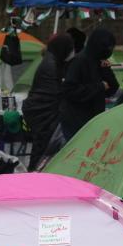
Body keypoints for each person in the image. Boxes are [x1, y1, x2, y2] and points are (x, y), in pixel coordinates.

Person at [23, 33, 74, 171]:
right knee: (42, 148)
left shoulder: (53, 60)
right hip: (43, 113)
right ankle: (35, 176)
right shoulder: (51, 65)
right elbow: (54, 92)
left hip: (39, 111)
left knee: (40, 147)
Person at [60, 28, 120, 139]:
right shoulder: (79, 61)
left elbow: (113, 88)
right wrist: (99, 87)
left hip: (94, 118)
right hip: (76, 120)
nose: (108, 51)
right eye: (107, 47)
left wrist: (106, 70)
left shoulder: (98, 60)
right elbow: (69, 90)